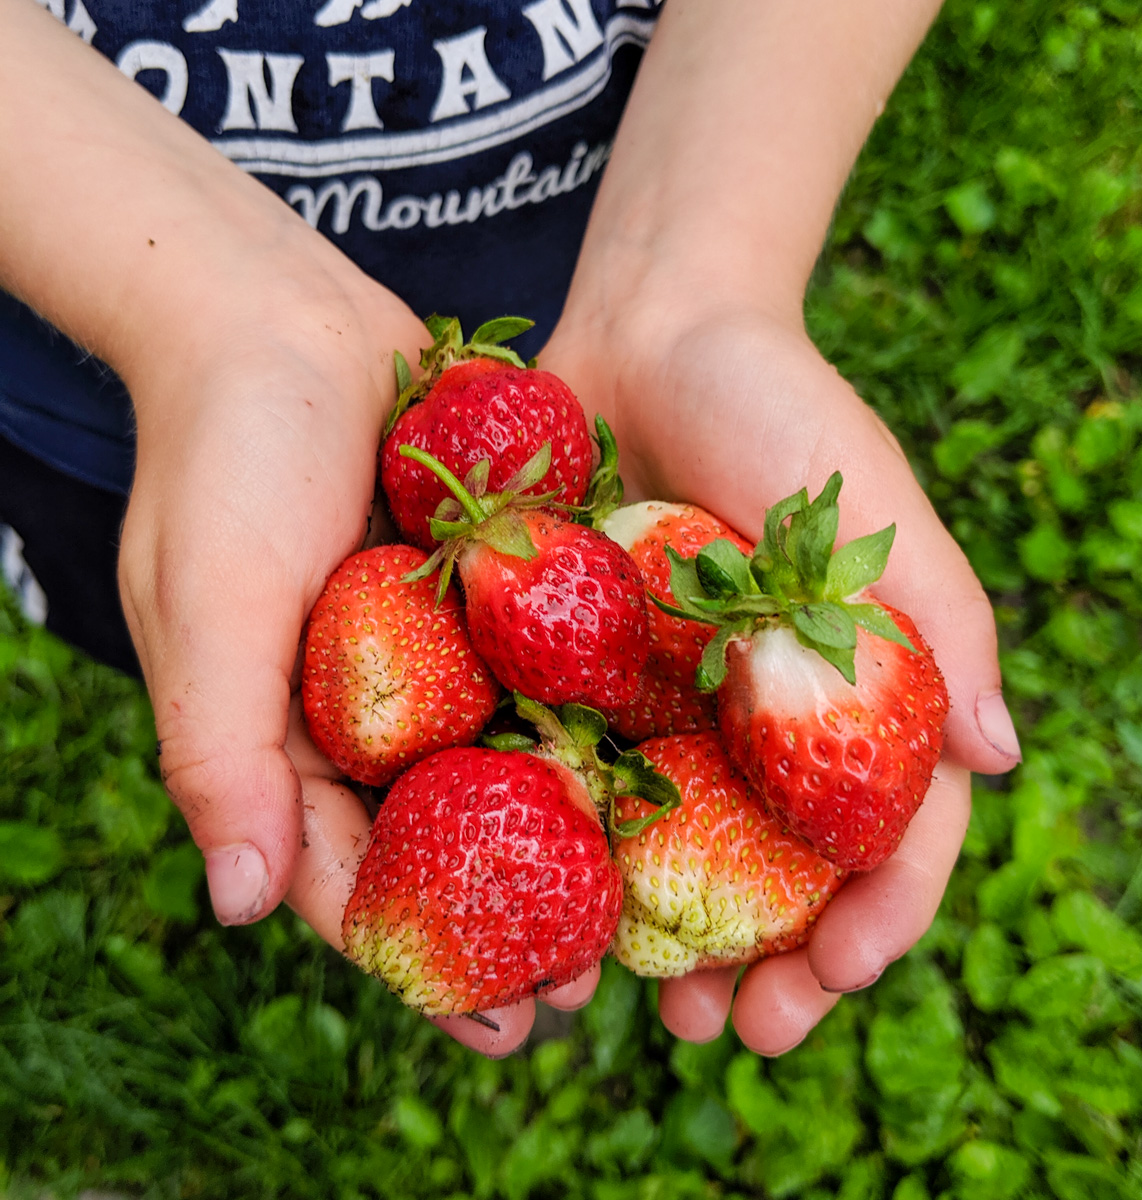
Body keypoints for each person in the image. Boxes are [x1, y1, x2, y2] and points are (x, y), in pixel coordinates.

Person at [0, 0, 1021, 1058]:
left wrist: (697, 277)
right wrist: (198, 315)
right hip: (79, 269)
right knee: (174, 618)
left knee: (237, 641)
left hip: (592, 225)